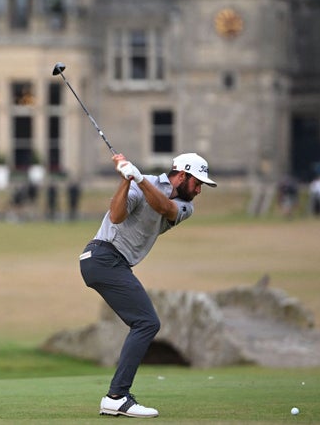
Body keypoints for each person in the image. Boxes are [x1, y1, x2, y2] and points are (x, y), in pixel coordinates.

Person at [79, 152, 217, 418]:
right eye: (197, 182)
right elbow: (116, 216)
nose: (199, 189)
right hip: (102, 257)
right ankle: (116, 396)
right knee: (147, 323)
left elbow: (165, 208)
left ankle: (116, 395)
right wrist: (125, 179)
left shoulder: (186, 207)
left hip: (111, 263)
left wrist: (139, 179)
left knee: (145, 322)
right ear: (182, 175)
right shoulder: (143, 183)